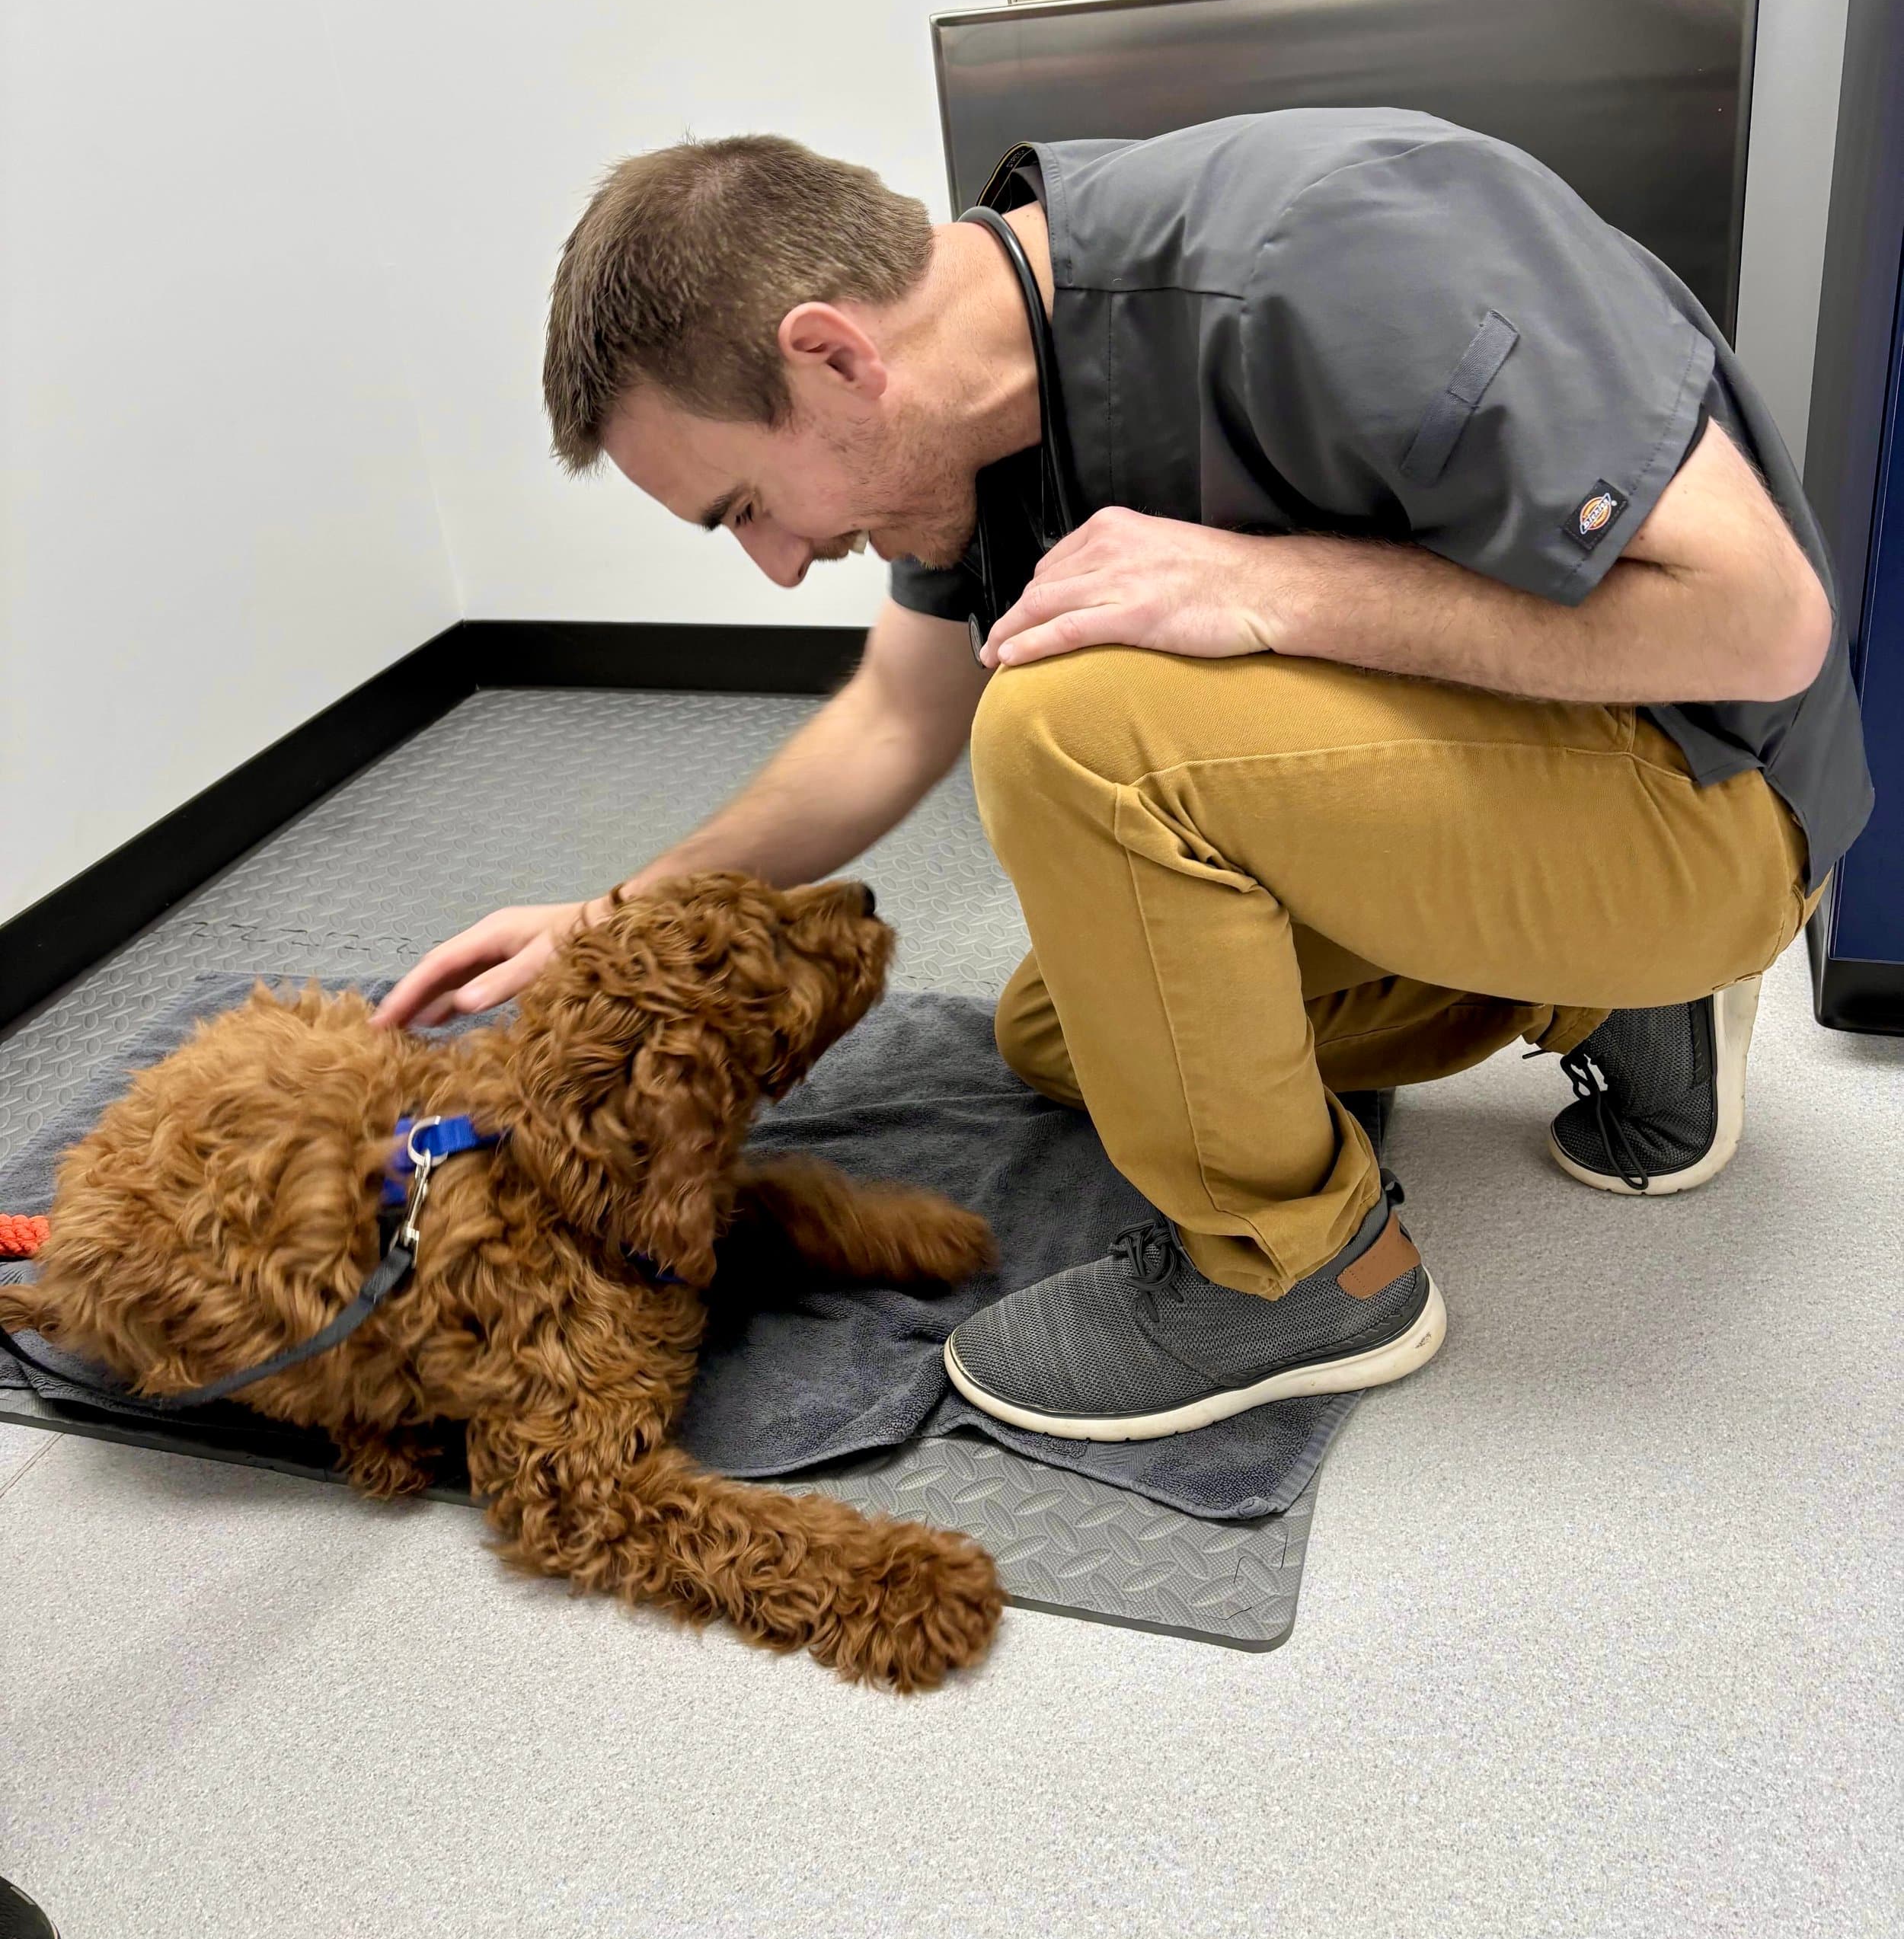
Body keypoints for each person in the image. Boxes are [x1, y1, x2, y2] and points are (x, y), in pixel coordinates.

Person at [377, 113, 1870, 1442]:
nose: (775, 566)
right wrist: (616, 915)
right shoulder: (975, 417)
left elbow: (1763, 616)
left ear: (833, 355)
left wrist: (1273, 590)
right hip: (1530, 784)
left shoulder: (1333, 261)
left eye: (748, 507)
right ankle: (1603, 992)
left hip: (1712, 800)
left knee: (1065, 720)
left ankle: (1297, 1274)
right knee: (1068, 1032)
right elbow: (894, 716)